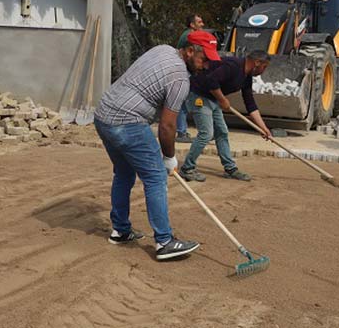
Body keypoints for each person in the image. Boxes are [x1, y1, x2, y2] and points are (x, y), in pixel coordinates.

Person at [93, 30, 220, 260]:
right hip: (127, 122)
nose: (206, 66)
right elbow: (167, 126)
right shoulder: (181, 78)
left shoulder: (162, 49)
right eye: (204, 59)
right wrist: (169, 157)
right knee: (155, 177)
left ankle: (120, 230)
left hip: (104, 115)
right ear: (190, 51)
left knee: (123, 173)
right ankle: (164, 242)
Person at [179, 50, 273, 182]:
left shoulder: (246, 78)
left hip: (213, 98)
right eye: (264, 67)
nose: (263, 71)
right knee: (206, 133)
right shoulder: (233, 66)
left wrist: (263, 128)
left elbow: (250, 103)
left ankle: (230, 169)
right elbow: (211, 81)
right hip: (198, 94)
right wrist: (222, 99)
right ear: (257, 62)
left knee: (222, 132)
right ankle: (187, 168)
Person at [174, 14, 205, 143]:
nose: (202, 24)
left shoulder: (191, 34)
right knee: (183, 102)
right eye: (199, 22)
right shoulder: (190, 36)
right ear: (192, 25)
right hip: (185, 71)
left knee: (186, 102)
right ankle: (181, 132)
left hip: (188, 71)